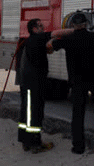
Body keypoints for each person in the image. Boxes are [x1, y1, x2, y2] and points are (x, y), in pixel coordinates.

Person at [48, 12, 94, 155]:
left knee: (78, 113)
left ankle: (78, 147)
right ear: (86, 24)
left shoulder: (68, 39)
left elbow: (50, 47)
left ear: (73, 25)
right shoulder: (93, 37)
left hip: (77, 80)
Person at [17, 18, 73, 153]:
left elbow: (48, 49)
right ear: (34, 29)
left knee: (27, 113)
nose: (43, 27)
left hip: (30, 83)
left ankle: (26, 141)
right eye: (41, 25)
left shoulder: (32, 41)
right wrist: (76, 30)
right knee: (34, 113)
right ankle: (35, 144)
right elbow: (57, 33)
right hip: (33, 84)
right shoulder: (38, 38)